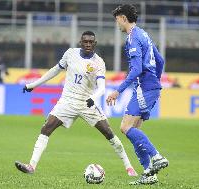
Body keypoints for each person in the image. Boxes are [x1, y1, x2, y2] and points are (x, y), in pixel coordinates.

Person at [15, 31, 137, 177]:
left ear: (95, 44)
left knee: (108, 133)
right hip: (67, 101)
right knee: (46, 128)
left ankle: (129, 167)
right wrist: (33, 85)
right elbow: (55, 70)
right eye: (85, 41)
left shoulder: (98, 62)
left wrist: (94, 97)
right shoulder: (70, 53)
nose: (88, 44)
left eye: (91, 42)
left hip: (87, 103)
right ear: (80, 42)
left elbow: (102, 87)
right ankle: (31, 166)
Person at [107, 4, 169, 185]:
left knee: (125, 127)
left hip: (144, 87)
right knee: (135, 130)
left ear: (123, 18)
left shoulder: (133, 38)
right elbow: (160, 60)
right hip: (151, 87)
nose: (116, 23)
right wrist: (155, 81)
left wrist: (118, 91)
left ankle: (156, 156)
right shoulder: (144, 34)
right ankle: (150, 174)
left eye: (117, 19)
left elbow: (136, 70)